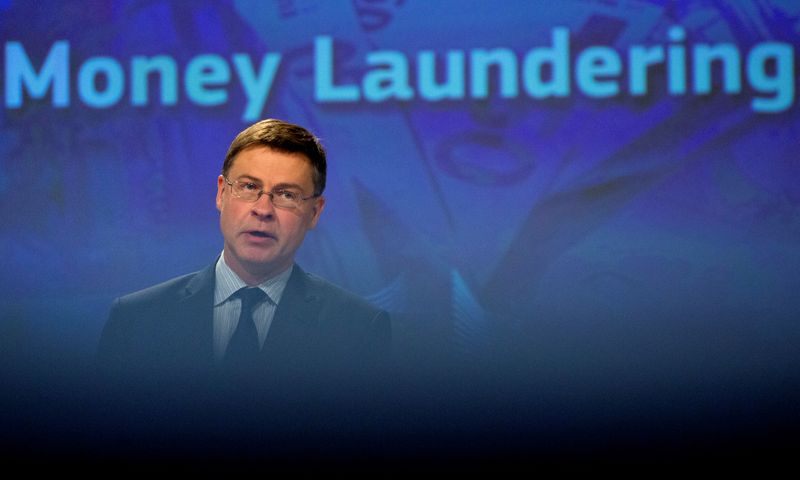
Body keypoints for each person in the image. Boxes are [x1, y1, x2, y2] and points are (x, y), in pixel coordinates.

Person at [96, 119, 391, 392]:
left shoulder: (357, 330)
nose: (262, 209)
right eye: (249, 187)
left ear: (314, 212)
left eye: (286, 195)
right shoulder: (136, 321)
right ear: (221, 194)